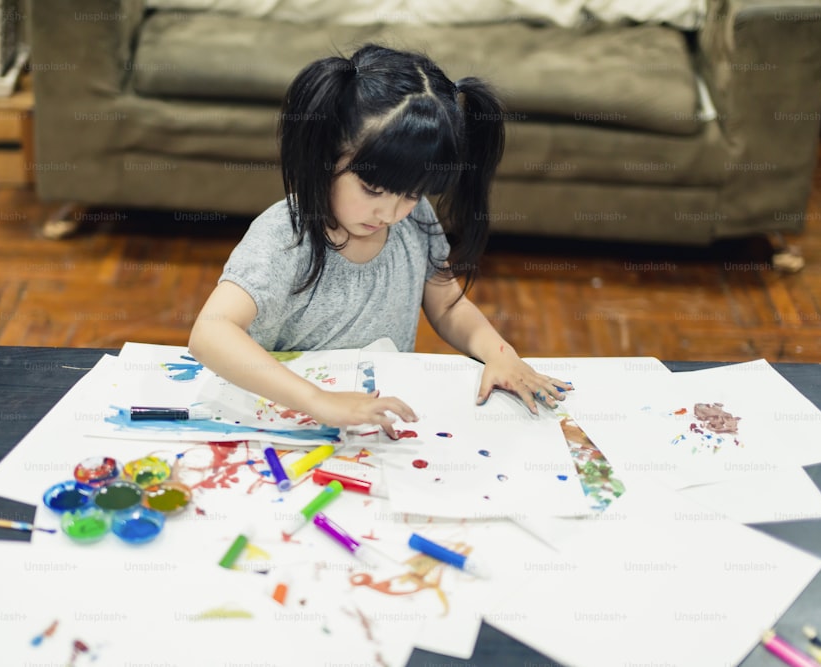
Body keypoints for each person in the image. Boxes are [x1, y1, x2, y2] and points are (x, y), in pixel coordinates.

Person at [188, 43, 573, 439]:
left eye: (410, 193)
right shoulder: (286, 236)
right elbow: (210, 333)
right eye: (372, 189)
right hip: (283, 418)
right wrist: (319, 400)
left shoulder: (415, 217)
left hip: (372, 421)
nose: (391, 214)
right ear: (323, 157)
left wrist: (499, 354)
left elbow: (447, 305)